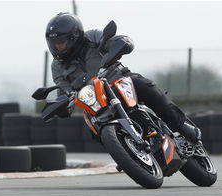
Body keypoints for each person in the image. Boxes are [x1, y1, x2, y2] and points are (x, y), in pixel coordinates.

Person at [46, 12, 201, 143]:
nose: (57, 47)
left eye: (61, 42)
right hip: (96, 102)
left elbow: (116, 41)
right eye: (54, 43)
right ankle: (128, 153)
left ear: (74, 36)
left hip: (118, 79)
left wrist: (121, 44)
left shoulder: (92, 37)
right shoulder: (57, 67)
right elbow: (64, 91)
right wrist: (63, 106)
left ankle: (181, 126)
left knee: (144, 86)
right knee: (95, 131)